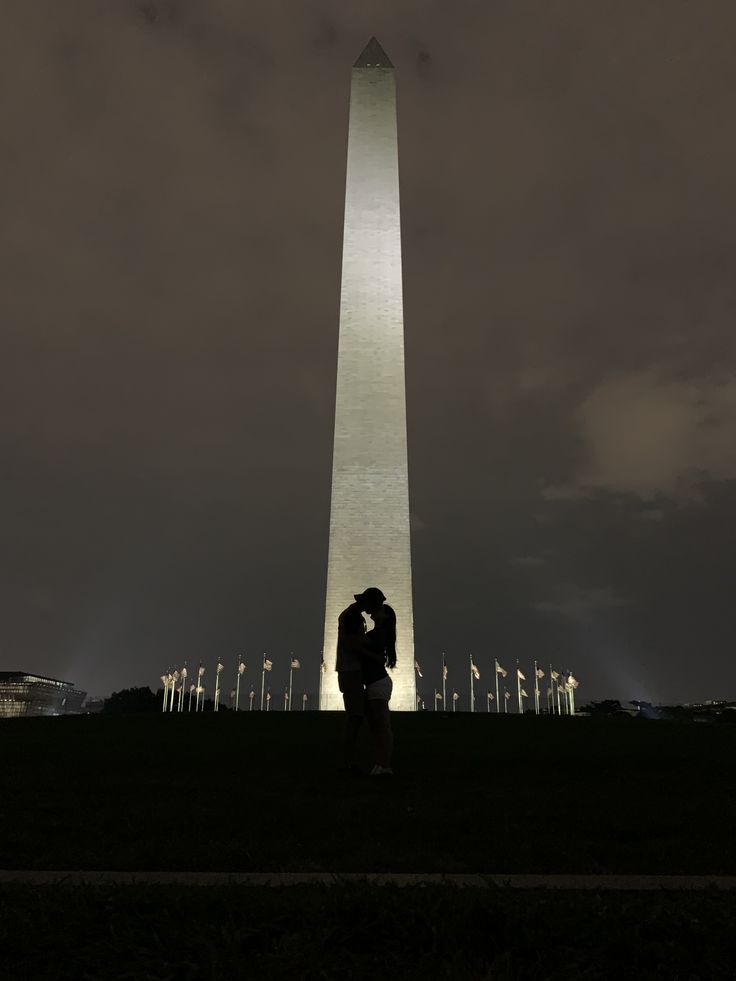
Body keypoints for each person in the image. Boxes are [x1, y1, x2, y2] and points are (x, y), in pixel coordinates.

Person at [336, 587, 386, 771]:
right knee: (355, 716)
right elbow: (352, 645)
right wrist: (374, 657)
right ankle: (347, 762)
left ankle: (350, 759)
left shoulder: (353, 615)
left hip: (352, 670)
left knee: (357, 716)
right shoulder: (352, 616)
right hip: (350, 670)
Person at [362, 603, 396, 776]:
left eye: (380, 610)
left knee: (382, 726)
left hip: (378, 683)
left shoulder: (381, 634)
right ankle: (380, 763)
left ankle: (386, 765)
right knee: (377, 727)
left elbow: (361, 646)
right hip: (376, 683)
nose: (376, 610)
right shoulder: (379, 633)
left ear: (386, 617)